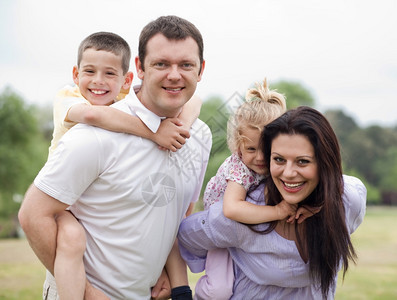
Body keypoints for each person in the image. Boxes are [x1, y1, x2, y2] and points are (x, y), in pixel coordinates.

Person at [18, 15, 211, 300]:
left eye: (185, 65)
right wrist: (87, 293)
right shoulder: (93, 136)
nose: (174, 74)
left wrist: (168, 272)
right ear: (140, 68)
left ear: (201, 69)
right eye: (161, 64)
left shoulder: (200, 136)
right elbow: (33, 215)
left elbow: (178, 213)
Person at [178, 106, 367, 299]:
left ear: (324, 162)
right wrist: (177, 287)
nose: (289, 173)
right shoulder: (241, 216)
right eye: (279, 159)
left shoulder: (347, 201)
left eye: (302, 161)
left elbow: (347, 187)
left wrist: (321, 204)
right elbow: (183, 235)